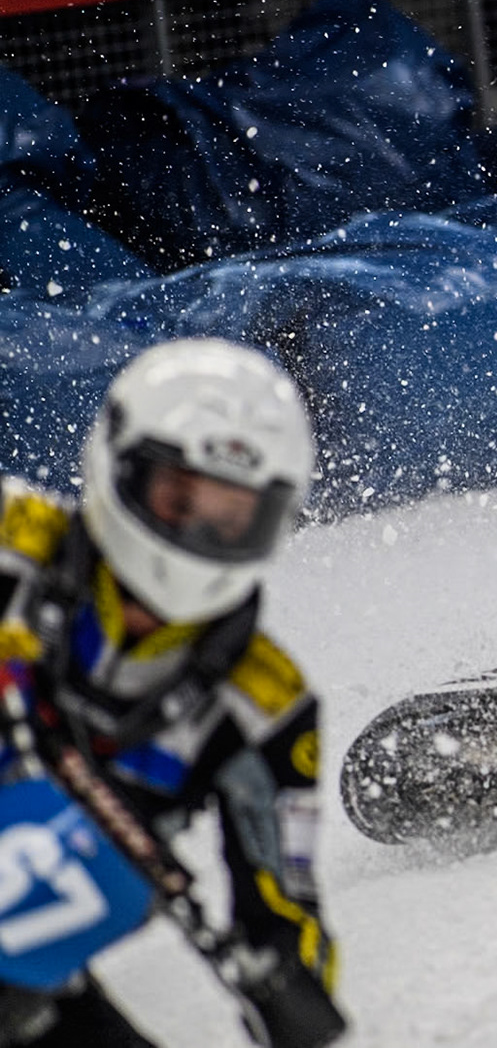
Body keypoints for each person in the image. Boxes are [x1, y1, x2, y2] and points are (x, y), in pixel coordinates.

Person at [0, 339, 341, 1048]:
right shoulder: (11, 540)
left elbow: (285, 914)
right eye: (178, 497)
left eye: (228, 517)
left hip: (21, 957)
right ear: (119, 463)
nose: (194, 530)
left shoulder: (265, 708)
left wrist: (291, 988)